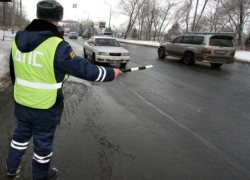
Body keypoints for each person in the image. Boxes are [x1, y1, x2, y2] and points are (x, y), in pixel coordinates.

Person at [6, 0, 123, 180]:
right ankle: (40, 176)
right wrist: (110, 72)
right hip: (46, 106)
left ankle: (11, 170)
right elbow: (85, 69)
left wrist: (21, 91)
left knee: (19, 139)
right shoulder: (57, 45)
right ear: (56, 21)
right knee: (42, 145)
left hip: (22, 102)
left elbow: (13, 72)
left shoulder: (17, 39)